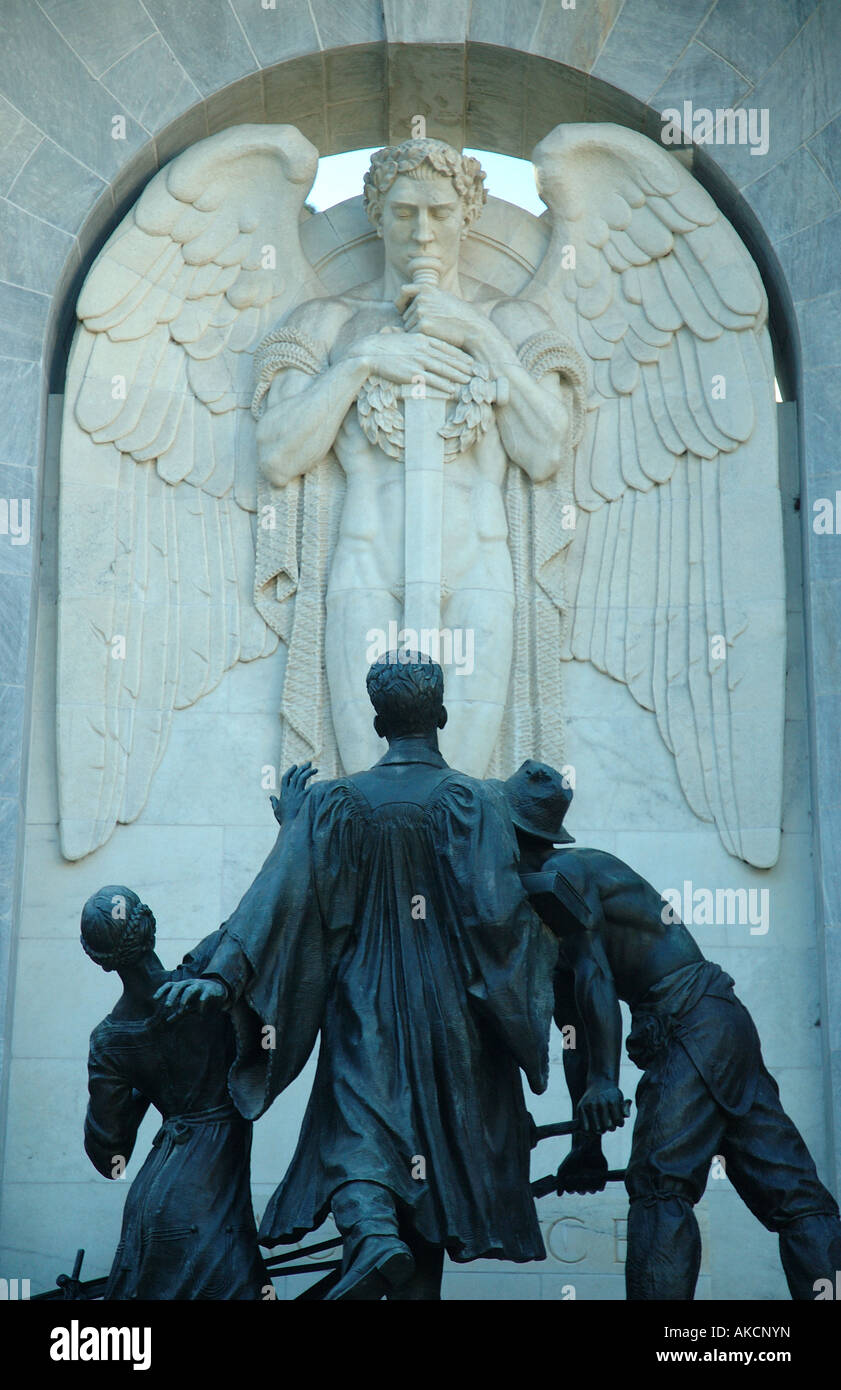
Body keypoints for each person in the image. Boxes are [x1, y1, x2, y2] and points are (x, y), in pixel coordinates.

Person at [156, 653, 559, 1300]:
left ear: (375, 722)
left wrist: (227, 974)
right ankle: (379, 1244)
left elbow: (279, 895)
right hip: (451, 1017)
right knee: (426, 1192)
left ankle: (371, 1235)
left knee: (360, 1129)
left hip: (363, 1001)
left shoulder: (329, 804)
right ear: (443, 716)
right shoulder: (477, 802)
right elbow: (496, 918)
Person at [503, 763, 841, 1301]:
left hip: (691, 1023)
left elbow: (595, 976)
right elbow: (575, 1030)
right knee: (793, 1192)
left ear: (510, 832)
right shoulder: (547, 911)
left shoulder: (572, 876)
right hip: (717, 1025)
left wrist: (606, 1084)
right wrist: (587, 1143)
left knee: (661, 1184)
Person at [81, 886, 268, 1300]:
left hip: (158, 1189)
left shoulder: (109, 1039)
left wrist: (146, 1082)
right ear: (149, 926)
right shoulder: (206, 977)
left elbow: (108, 1153)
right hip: (203, 1188)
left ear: (98, 960)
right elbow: (258, 926)